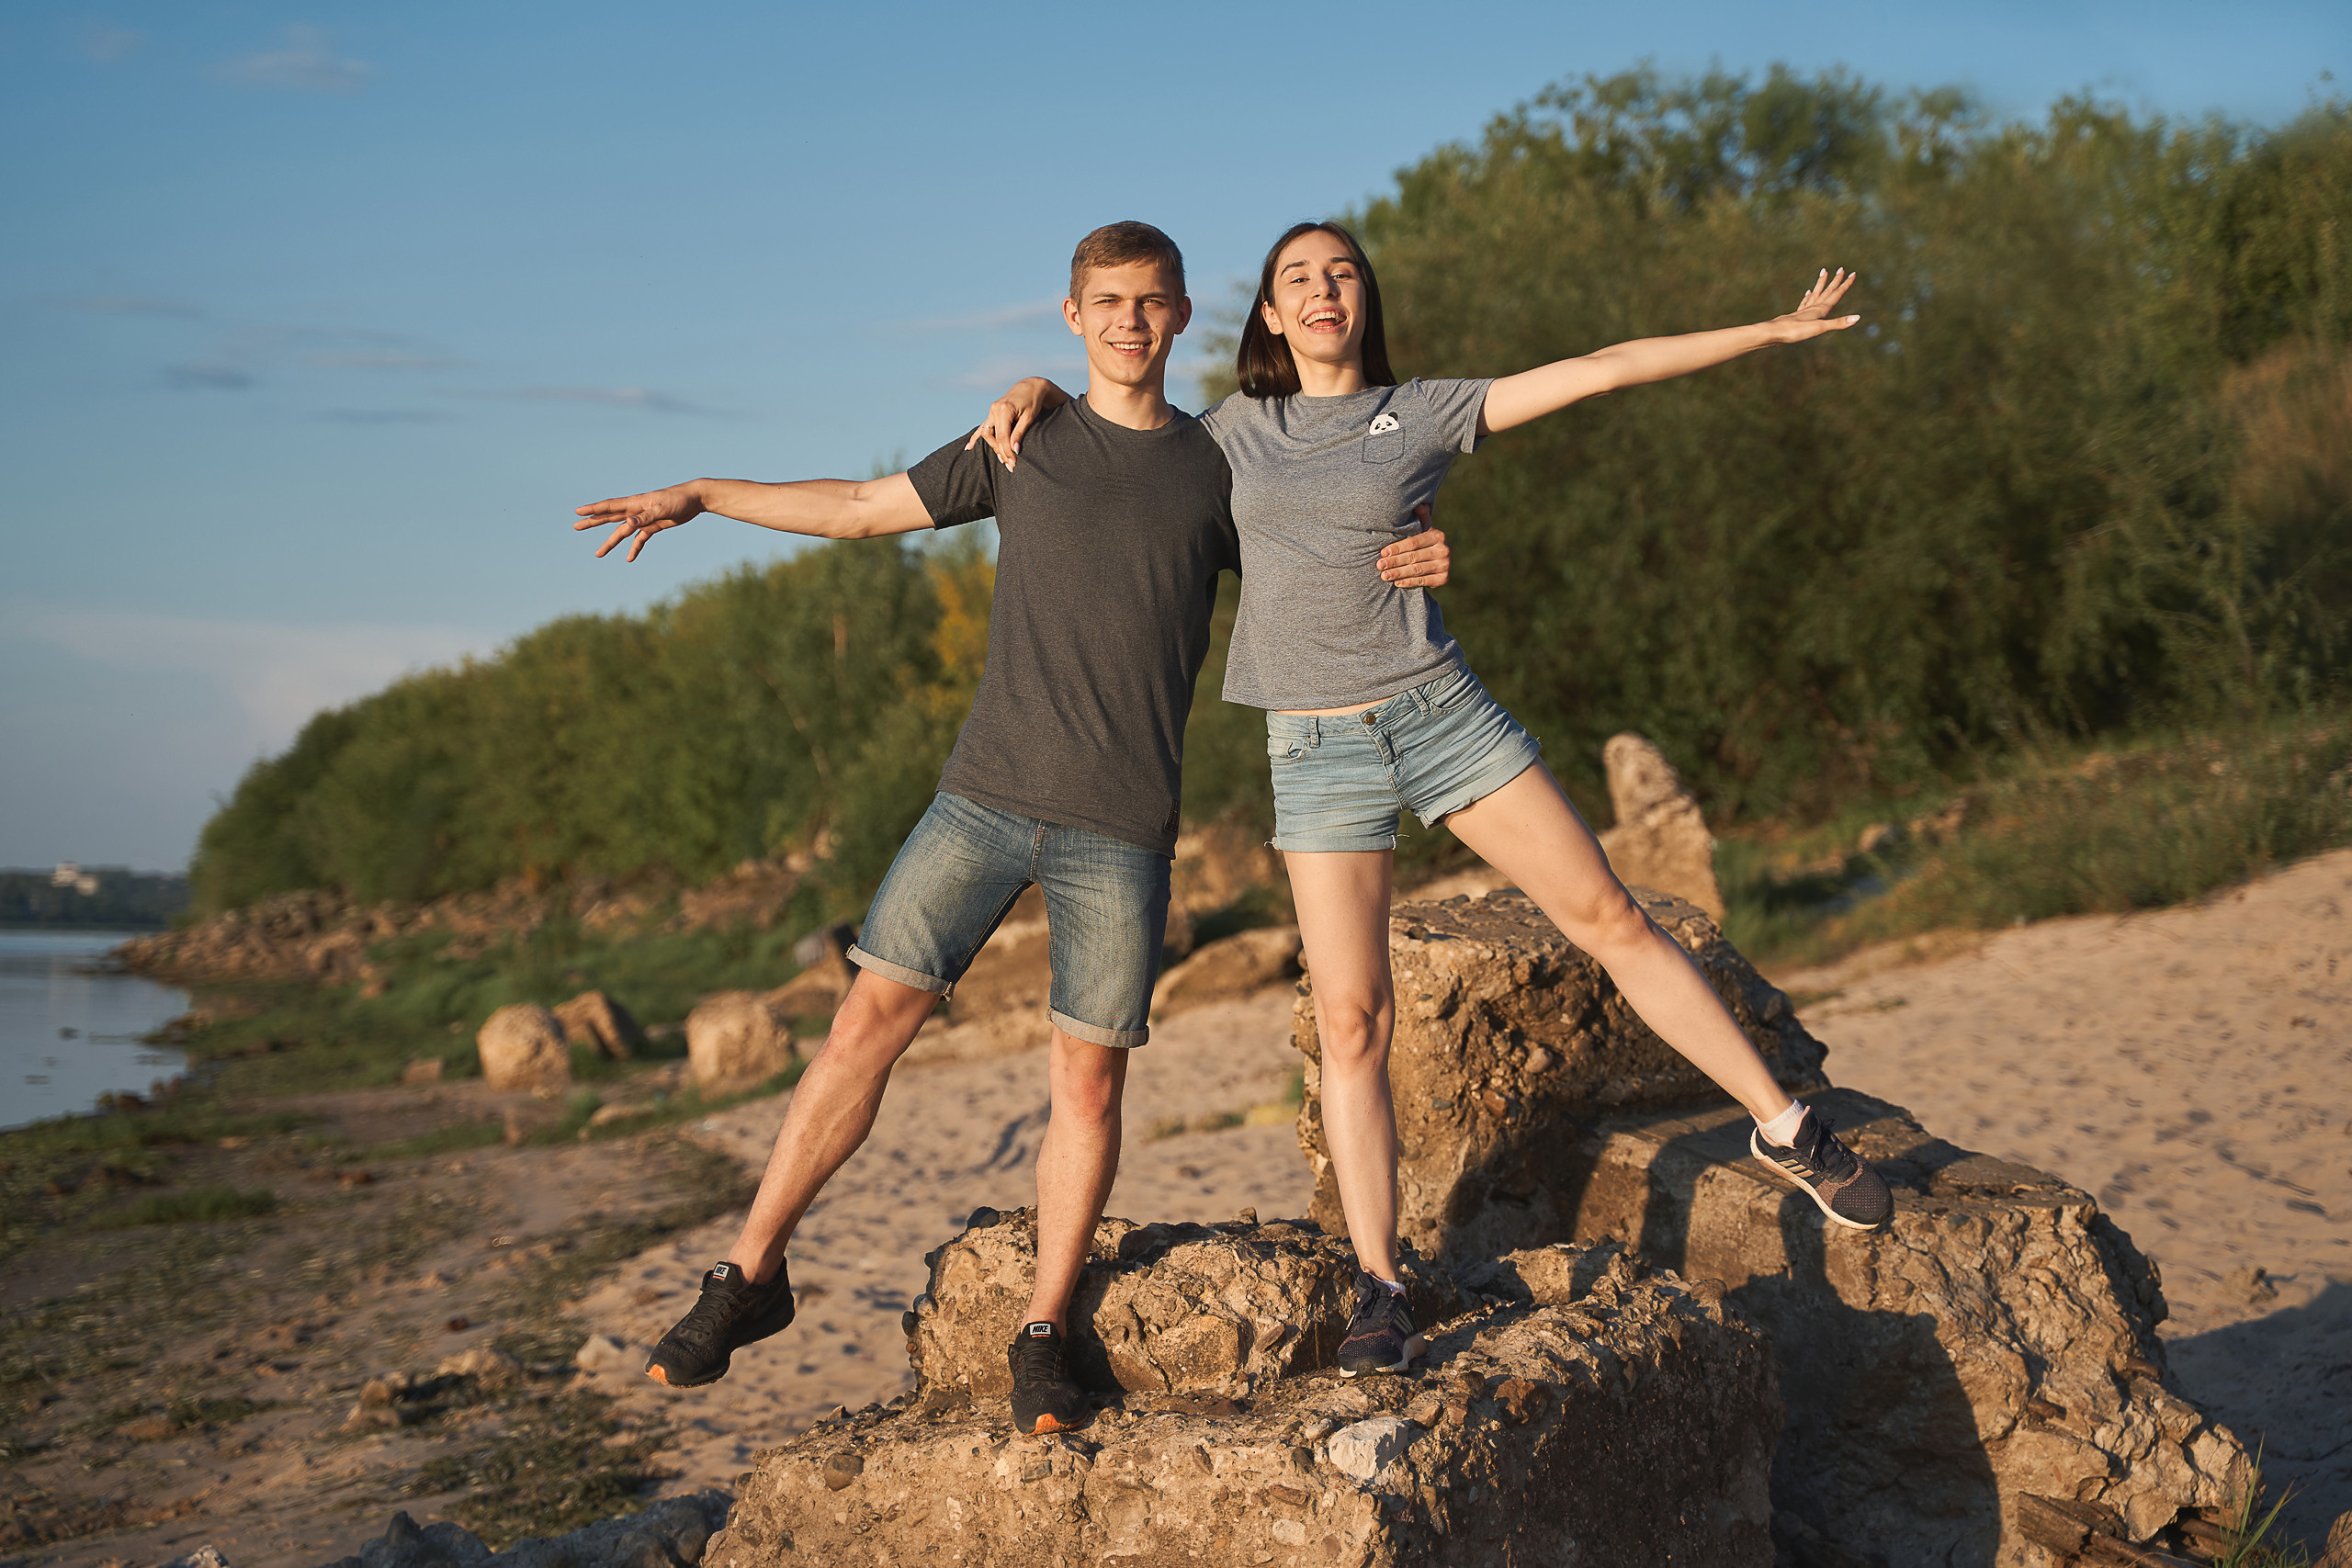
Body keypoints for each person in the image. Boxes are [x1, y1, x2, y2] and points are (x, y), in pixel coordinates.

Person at [570, 221, 1452, 1435]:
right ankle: (751, 1274)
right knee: (863, 1023)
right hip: (980, 795)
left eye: (1152, 303)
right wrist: (707, 495)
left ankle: (1042, 1326)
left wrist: (1425, 548)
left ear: (1185, 315)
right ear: (1073, 315)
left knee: (1085, 1082)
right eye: (1109, 303)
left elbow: (1327, 548)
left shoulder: (1218, 470)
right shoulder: (1018, 437)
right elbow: (859, 510)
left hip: (1123, 825)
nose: (1131, 322)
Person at [974, 220, 1895, 1380]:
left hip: (1440, 715)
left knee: (1607, 914)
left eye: (1341, 273)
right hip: (1317, 755)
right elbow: (1122, 418)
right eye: (1295, 278)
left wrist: (1769, 328)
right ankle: (1380, 1284)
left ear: (1364, 301)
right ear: (1267, 315)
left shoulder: (1424, 411)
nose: (1321, 290)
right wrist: (1033, 387)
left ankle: (1785, 1126)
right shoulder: (1226, 439)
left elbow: (1599, 368)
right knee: (1353, 1023)